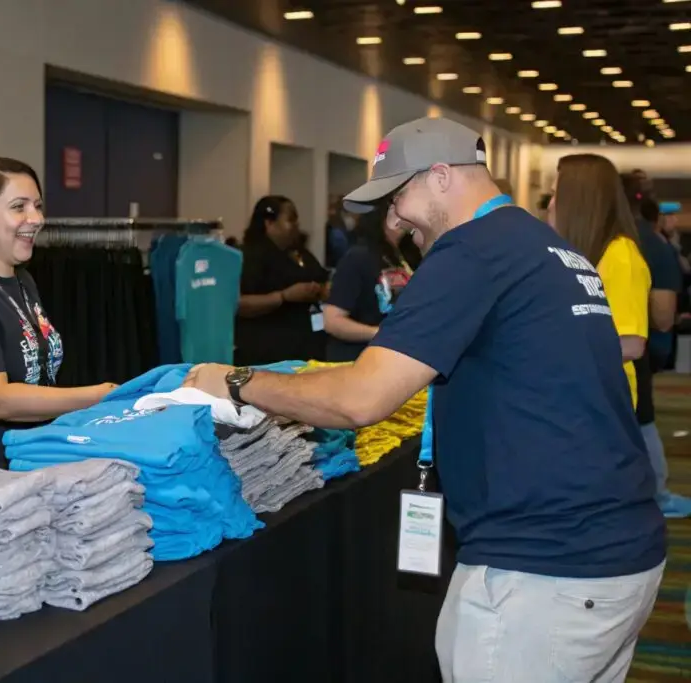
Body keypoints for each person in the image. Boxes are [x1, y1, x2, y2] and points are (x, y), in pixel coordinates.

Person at [185, 117, 665, 682]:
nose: (392, 220)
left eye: (398, 197)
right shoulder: (548, 246)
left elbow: (361, 399)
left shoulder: (472, 252)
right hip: (612, 548)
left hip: (547, 566)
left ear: (441, 177)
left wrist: (236, 381)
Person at [0, 157, 116, 469]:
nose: (36, 218)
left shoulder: (23, 281)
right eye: (19, 207)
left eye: (37, 206)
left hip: (30, 462)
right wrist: (97, 396)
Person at [548, 154, 650, 410]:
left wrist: (548, 354)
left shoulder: (620, 256)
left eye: (555, 195)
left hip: (599, 408)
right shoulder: (577, 255)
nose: (550, 205)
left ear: (578, 202)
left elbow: (630, 343)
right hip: (573, 402)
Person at [632, 195, 691, 517]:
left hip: (629, 347)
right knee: (642, 418)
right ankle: (657, 493)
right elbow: (665, 316)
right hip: (641, 346)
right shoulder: (649, 246)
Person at [235, 195, 329, 366]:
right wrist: (284, 296)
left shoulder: (300, 253)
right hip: (268, 351)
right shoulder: (250, 256)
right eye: (290, 220)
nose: (296, 225)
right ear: (269, 223)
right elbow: (239, 303)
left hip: (307, 346)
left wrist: (319, 290)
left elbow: (322, 279)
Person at [323, 198, 412, 361]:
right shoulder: (358, 257)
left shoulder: (400, 255)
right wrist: (378, 333)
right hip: (359, 358)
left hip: (392, 355)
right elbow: (332, 320)